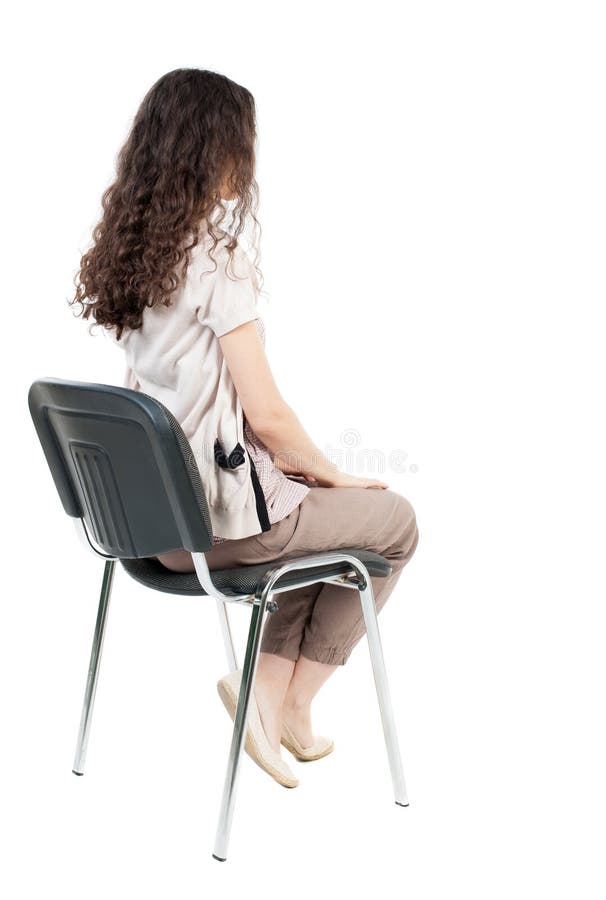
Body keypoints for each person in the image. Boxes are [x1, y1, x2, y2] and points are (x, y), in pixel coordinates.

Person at [70, 67, 419, 788]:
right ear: (214, 149)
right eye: (241, 141)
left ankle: (277, 707)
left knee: (308, 520)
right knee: (393, 522)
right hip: (215, 527)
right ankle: (279, 698)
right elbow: (267, 415)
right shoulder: (217, 258)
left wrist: (298, 476)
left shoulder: (135, 258)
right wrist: (331, 471)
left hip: (145, 529)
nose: (248, 158)